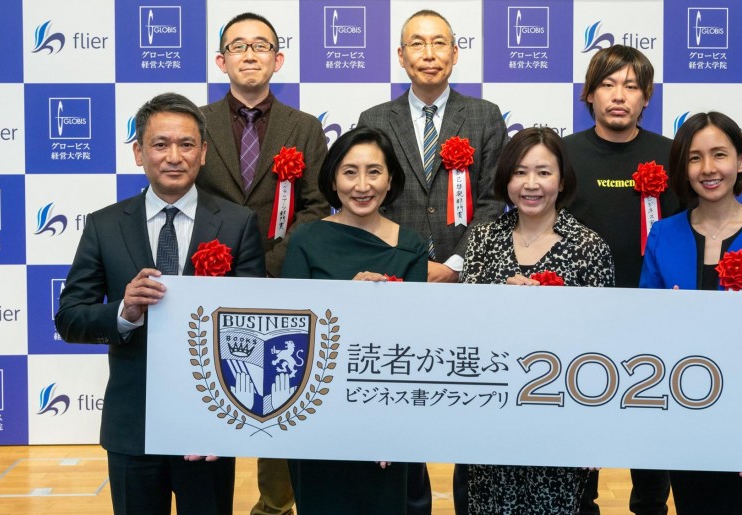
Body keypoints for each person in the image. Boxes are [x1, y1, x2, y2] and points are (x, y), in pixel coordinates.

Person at [55, 92, 266, 515]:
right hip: (132, 425)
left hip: (208, 423)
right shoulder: (104, 225)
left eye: (186, 144)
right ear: (139, 152)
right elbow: (70, 319)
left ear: (203, 153)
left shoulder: (238, 223)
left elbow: (253, 322)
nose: (174, 156)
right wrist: (123, 312)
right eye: (160, 144)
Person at [357, 10, 508, 512]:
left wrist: (458, 263)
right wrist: (405, 265)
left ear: (455, 53)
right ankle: (411, 503)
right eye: (417, 44)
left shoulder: (484, 116)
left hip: (468, 281)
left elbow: (494, 200)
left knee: (471, 396)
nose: (429, 53)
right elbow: (368, 200)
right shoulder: (375, 119)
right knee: (403, 395)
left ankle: (472, 501)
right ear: (401, 56)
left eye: (439, 42)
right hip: (395, 280)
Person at [640, 112, 742, 514]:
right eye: (695, 158)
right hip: (683, 411)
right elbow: (645, 326)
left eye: (719, 154)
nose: (708, 168)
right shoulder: (663, 234)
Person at [195, 13, 329, 515]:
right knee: (213, 389)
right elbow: (185, 197)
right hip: (209, 279)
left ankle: (275, 505)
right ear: (221, 60)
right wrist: (222, 259)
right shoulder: (196, 123)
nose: (249, 54)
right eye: (238, 46)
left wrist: (269, 260)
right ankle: (209, 500)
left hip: (282, 278)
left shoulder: (304, 127)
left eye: (261, 46)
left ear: (278, 58)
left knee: (279, 390)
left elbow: (318, 205)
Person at [461, 127, 613, 514]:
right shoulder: (482, 240)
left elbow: (603, 344)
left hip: (561, 414)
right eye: (520, 172)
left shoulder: (589, 246)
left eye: (543, 172)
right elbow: (465, 326)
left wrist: (597, 430)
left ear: (562, 180)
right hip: (492, 410)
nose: (531, 184)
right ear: (506, 179)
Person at [280, 126, 427, 514]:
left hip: (386, 411)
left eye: (374, 172)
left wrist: (390, 425)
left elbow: (414, 341)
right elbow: (292, 332)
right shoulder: (306, 239)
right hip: (316, 409)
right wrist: (346, 303)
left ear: (390, 179)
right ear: (332, 180)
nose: (362, 185)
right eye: (349, 172)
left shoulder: (411, 245)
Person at [562, 44, 679, 515]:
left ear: (646, 97)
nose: (618, 95)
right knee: (581, 439)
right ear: (589, 94)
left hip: (654, 316)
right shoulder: (563, 155)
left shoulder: (671, 154)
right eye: (608, 84)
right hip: (580, 320)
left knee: (650, 437)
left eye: (631, 86)